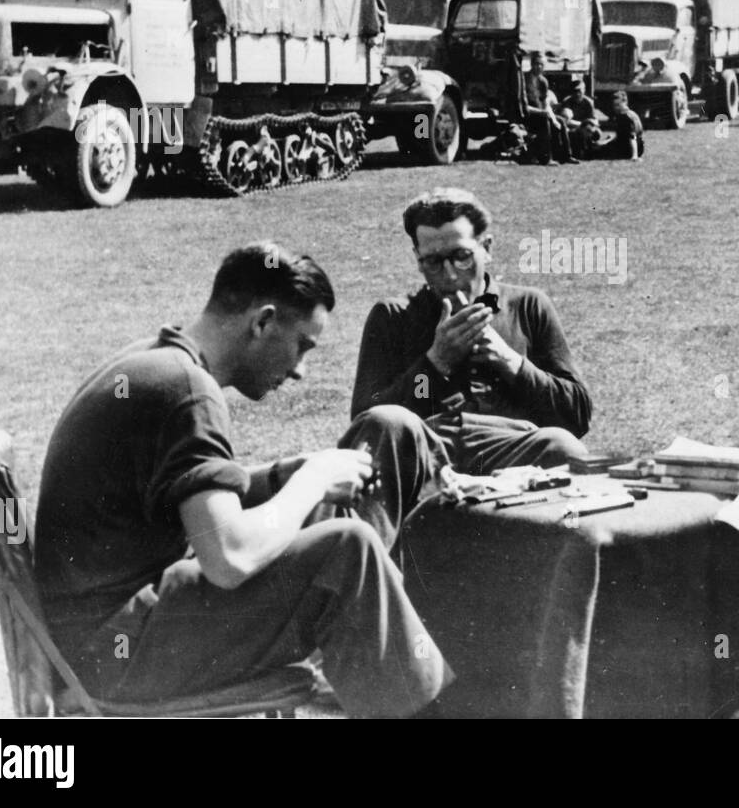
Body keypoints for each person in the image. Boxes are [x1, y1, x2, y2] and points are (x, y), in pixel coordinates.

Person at [33, 243, 449, 718]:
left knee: (325, 525)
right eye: (302, 345)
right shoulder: (189, 392)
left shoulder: (155, 360)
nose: (299, 371)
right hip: (112, 655)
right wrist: (311, 480)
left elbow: (187, 499)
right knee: (346, 550)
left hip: (99, 635)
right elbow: (229, 556)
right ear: (262, 322)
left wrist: (281, 476)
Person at [348, 188, 592, 478]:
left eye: (462, 256)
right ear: (417, 258)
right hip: (426, 446)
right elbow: (367, 424)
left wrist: (509, 361)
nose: (450, 275)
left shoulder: (527, 305)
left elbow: (576, 415)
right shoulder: (394, 316)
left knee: (565, 448)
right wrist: (434, 365)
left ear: (486, 247)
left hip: (513, 443)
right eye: (433, 262)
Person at [588, 90, 643, 159]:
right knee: (598, 146)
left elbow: (632, 137)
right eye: (614, 105)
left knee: (594, 152)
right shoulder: (623, 115)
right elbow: (622, 136)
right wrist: (606, 141)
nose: (615, 108)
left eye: (617, 105)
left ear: (625, 103)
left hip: (628, 149)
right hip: (626, 146)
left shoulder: (626, 117)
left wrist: (634, 156)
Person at [559, 77, 603, 159]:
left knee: (596, 133)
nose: (578, 94)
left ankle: (590, 151)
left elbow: (594, 119)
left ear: (584, 90)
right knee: (578, 133)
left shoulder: (589, 102)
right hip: (573, 126)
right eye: (575, 91)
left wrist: (591, 124)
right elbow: (565, 121)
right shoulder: (567, 102)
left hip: (587, 126)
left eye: (580, 91)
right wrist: (582, 124)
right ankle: (582, 153)